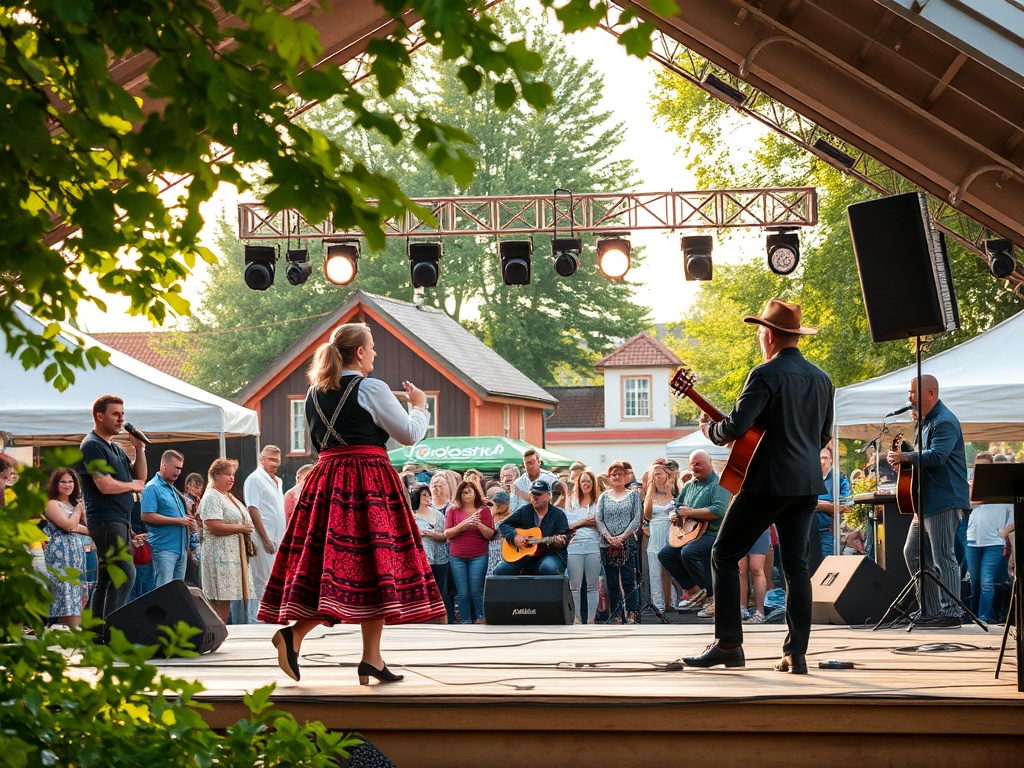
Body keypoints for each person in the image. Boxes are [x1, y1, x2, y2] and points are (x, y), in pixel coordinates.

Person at [257, 323, 445, 684]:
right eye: (371, 347)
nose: (374, 353)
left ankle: (370, 657)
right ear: (359, 352)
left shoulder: (313, 393)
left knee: (352, 568)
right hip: (366, 479)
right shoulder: (370, 387)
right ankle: (298, 635)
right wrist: (420, 407)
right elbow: (409, 434)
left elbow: (321, 443)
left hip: (327, 481)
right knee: (373, 562)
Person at [678, 299, 833, 672]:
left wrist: (711, 431)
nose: (759, 338)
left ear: (770, 335)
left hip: (767, 482)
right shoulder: (822, 379)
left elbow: (735, 426)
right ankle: (796, 653)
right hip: (806, 484)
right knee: (796, 567)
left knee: (724, 553)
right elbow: (822, 435)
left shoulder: (764, 374)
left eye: (760, 332)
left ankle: (729, 644)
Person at [887, 374, 970, 628]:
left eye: (913, 392)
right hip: (924, 502)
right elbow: (922, 457)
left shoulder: (944, 421)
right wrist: (905, 459)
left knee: (943, 556)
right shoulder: (925, 422)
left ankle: (952, 612)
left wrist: (906, 457)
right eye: (909, 392)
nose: (909, 397)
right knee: (912, 552)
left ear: (931, 393)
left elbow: (937, 456)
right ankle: (931, 610)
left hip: (943, 499)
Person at [78, 394, 148, 621]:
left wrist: (139, 448)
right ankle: (112, 629)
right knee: (124, 574)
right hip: (105, 520)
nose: (121, 419)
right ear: (99, 416)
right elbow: (105, 485)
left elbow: (140, 477)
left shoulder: (115, 448)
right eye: (115, 414)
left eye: (122, 414)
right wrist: (132, 486)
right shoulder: (92, 445)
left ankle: (96, 631)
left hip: (119, 521)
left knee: (107, 579)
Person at [657, 451, 731, 618]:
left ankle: (712, 596)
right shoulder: (689, 485)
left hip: (713, 533)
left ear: (709, 463)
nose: (694, 467)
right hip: (690, 534)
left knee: (689, 552)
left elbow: (719, 510)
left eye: (698, 463)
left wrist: (691, 512)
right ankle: (696, 592)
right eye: (692, 464)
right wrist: (674, 514)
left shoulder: (720, 484)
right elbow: (678, 505)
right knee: (666, 554)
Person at [198, 458, 255, 623]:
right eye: (227, 474)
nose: (231, 478)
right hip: (219, 555)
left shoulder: (227, 496)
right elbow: (213, 525)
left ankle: (221, 628)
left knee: (226, 599)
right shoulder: (212, 496)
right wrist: (241, 528)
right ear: (215, 475)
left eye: (233, 475)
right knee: (220, 598)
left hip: (231, 555)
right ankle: (216, 630)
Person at [965, 454, 1012, 623]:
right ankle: (973, 615)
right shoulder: (973, 487)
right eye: (977, 466)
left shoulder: (1004, 488)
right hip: (972, 540)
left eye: (984, 466)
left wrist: (1004, 532)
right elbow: (965, 503)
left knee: (987, 581)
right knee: (975, 581)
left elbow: (1014, 513)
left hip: (993, 542)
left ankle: (983, 617)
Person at [140, 450, 196, 589]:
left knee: (177, 592)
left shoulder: (171, 488)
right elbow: (146, 515)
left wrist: (186, 521)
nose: (178, 472)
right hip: (163, 549)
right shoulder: (153, 487)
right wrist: (178, 521)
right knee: (163, 591)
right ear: (164, 465)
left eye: (180, 468)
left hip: (180, 550)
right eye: (175, 467)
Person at [595, 461, 643, 623]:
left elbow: (636, 518)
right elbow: (599, 519)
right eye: (613, 475)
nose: (617, 477)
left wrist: (622, 537)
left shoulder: (633, 495)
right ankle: (616, 613)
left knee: (629, 579)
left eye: (620, 474)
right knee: (612, 581)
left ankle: (631, 612)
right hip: (607, 544)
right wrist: (609, 537)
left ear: (626, 477)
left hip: (627, 543)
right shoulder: (603, 497)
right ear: (609, 477)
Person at [244, 445, 287, 623]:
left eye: (277, 460)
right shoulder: (255, 479)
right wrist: (265, 538)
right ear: (262, 459)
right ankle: (255, 620)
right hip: (263, 537)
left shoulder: (278, 481)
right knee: (260, 579)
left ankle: (270, 616)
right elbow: (252, 508)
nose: (275, 463)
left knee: (273, 579)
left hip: (277, 538)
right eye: (271, 459)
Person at [43, 468, 89, 628]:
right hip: (59, 553)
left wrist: (74, 524)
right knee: (63, 592)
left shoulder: (74, 504)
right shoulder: (52, 504)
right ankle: (60, 628)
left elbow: (88, 528)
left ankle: (73, 629)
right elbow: (69, 526)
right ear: (56, 484)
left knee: (76, 593)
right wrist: (77, 512)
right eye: (63, 481)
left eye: (70, 481)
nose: (67, 485)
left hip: (76, 553)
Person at [494, 479, 571, 576]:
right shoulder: (524, 511)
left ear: (548, 496)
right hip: (525, 557)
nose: (535, 497)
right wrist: (514, 536)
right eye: (533, 494)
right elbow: (503, 525)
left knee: (547, 567)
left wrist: (558, 541)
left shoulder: (558, 515)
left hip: (550, 555)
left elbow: (565, 538)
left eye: (539, 494)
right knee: (499, 570)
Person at [444, 480, 494, 623]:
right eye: (463, 492)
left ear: (475, 493)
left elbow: (490, 535)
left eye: (469, 492)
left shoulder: (484, 510)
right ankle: (466, 621)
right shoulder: (452, 511)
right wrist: (464, 524)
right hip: (457, 556)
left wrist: (478, 524)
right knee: (462, 592)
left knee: (476, 591)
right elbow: (447, 533)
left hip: (479, 555)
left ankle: (481, 618)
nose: (466, 495)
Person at [643, 462, 680, 614]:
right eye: (654, 474)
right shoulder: (650, 495)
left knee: (669, 570)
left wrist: (671, 484)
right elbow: (647, 515)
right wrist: (650, 490)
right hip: (655, 533)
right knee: (655, 571)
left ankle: (671, 602)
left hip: (670, 532)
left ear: (666, 475)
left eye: (659, 473)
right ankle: (658, 603)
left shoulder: (674, 491)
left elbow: (679, 505)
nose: (656, 476)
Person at [411, 483, 451, 620]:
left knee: (441, 591)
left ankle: (444, 619)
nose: (427, 498)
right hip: (419, 560)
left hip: (439, 559)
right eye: (424, 495)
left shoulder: (437, 515)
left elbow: (445, 536)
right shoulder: (411, 515)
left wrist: (427, 533)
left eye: (429, 495)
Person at [566, 469, 601, 623]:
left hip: (593, 544)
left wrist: (578, 524)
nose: (586, 484)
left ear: (593, 483)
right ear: (578, 484)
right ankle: (577, 620)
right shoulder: (571, 501)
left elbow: (600, 523)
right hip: (574, 545)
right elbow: (567, 525)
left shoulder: (599, 501)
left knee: (592, 585)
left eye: (588, 481)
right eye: (583, 481)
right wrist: (584, 522)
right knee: (575, 586)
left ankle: (591, 621)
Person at [810, 446, 851, 573]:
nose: (822, 462)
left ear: (831, 459)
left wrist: (818, 505)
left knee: (826, 569)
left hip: (827, 533)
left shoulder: (839, 479)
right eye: (819, 458)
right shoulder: (810, 478)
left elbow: (844, 506)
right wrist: (826, 506)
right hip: (809, 533)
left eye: (825, 458)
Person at [485, 489, 512, 576]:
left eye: (500, 503)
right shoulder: (490, 517)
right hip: (490, 551)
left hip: (504, 551)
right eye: (495, 503)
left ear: (508, 504)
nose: (497, 505)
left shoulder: (512, 518)